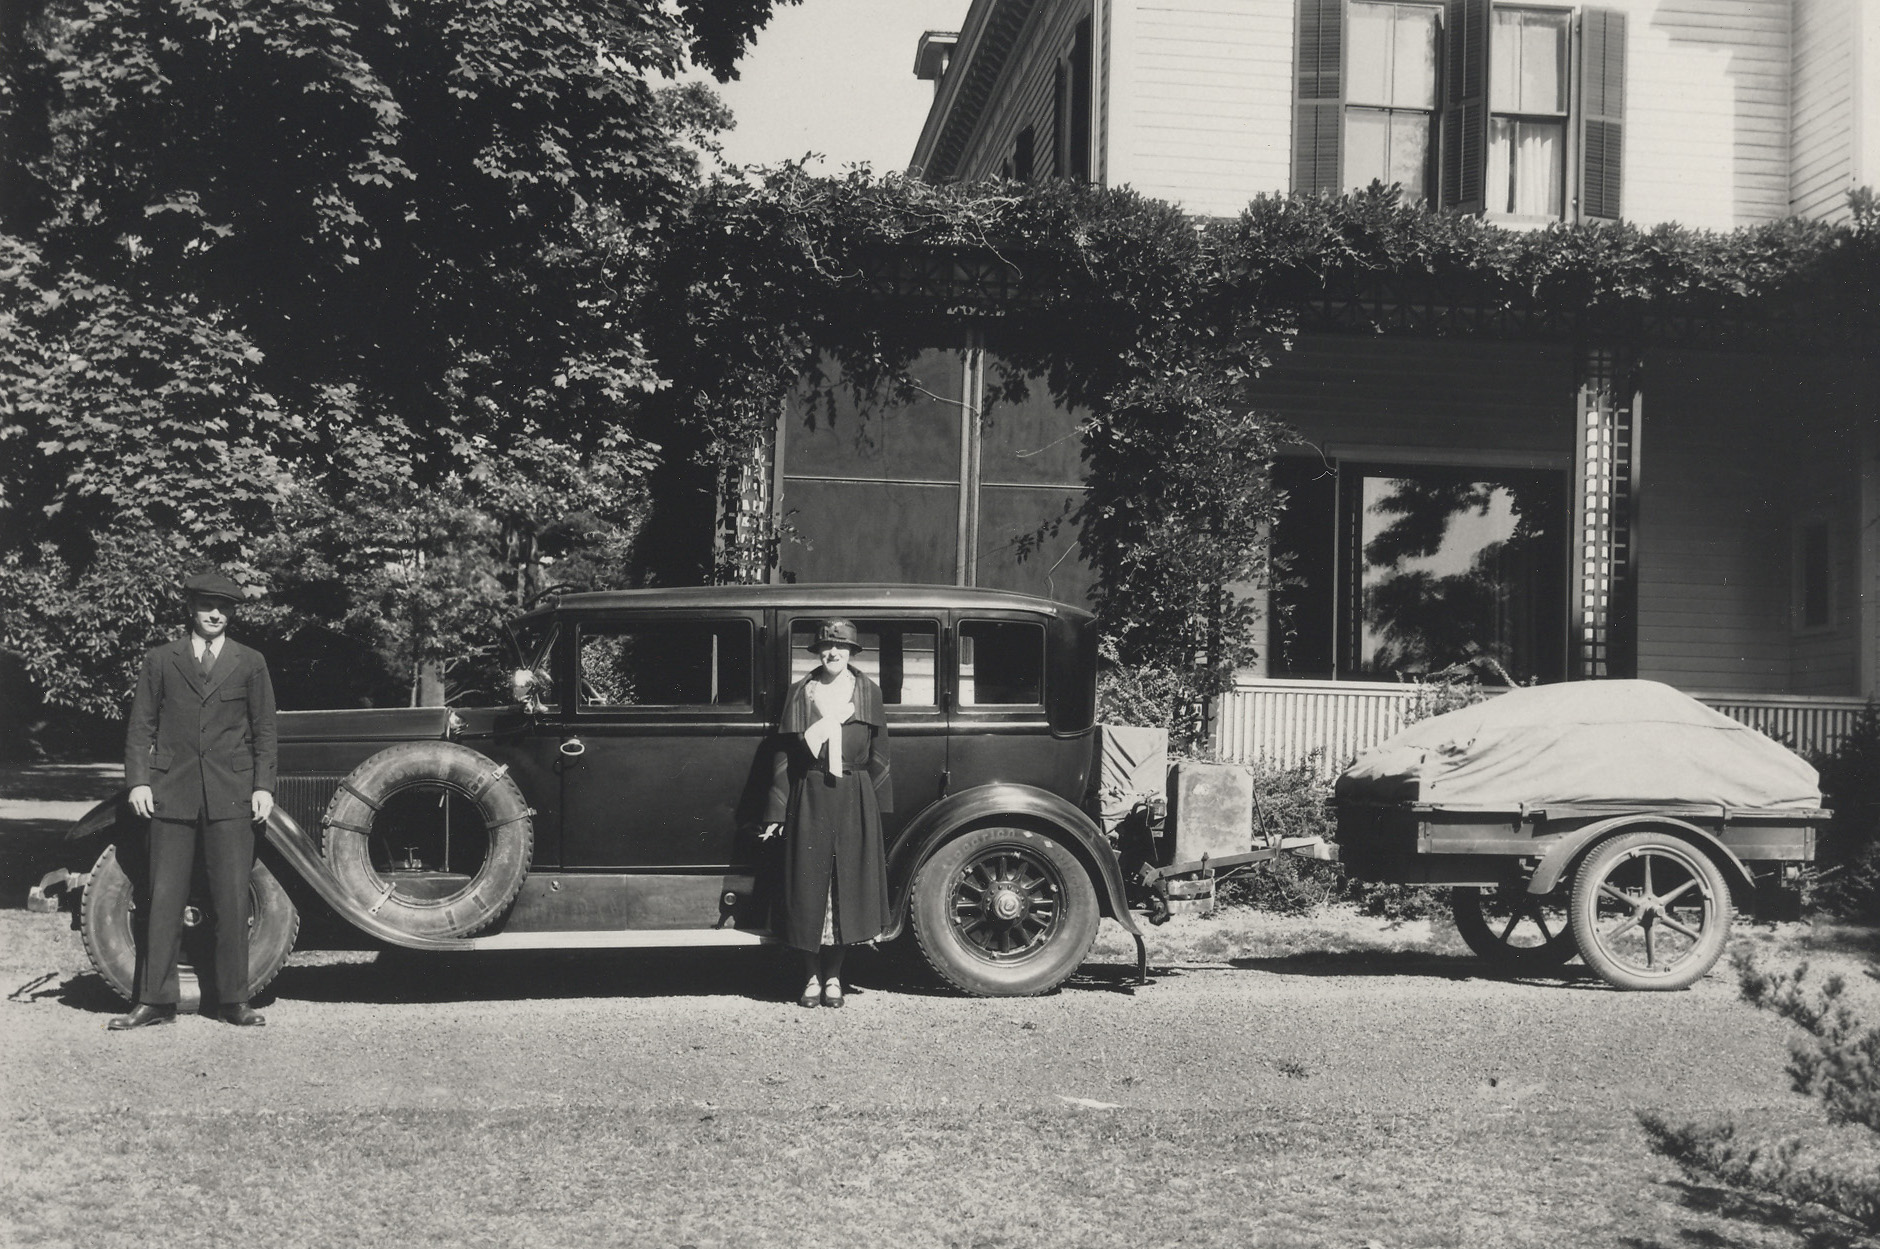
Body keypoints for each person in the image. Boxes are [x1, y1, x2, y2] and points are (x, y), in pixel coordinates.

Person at [109, 571, 278, 1030]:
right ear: (191, 608)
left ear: (233, 613)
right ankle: (155, 1002)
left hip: (231, 795)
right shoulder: (161, 659)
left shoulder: (251, 662)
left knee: (230, 900)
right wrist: (139, 782)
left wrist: (263, 786)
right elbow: (140, 726)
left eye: (223, 607)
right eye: (206, 605)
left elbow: (264, 731)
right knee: (163, 897)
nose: (214, 614)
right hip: (170, 793)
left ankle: (233, 1001)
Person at [761, 619, 892, 1008]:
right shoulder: (802, 692)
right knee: (808, 887)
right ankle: (810, 979)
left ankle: (835, 978)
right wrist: (777, 811)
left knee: (847, 886)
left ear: (852, 652)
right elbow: (783, 757)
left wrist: (877, 810)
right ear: (817, 652)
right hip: (811, 794)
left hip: (854, 797)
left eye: (841, 646)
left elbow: (881, 755)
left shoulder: (867, 692)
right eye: (826, 647)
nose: (833, 652)